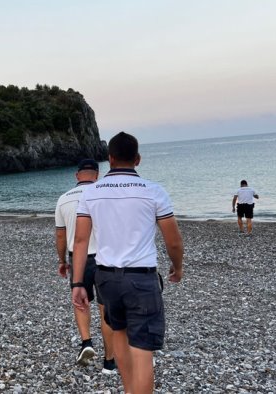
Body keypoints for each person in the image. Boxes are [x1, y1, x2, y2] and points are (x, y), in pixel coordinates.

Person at [71, 132, 184, 394]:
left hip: (106, 278)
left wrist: (78, 282)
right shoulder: (153, 191)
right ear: (138, 159)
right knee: (143, 349)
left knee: (119, 334)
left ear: (109, 159)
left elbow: (80, 241)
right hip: (141, 278)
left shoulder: (91, 193)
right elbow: (174, 241)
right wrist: (177, 267)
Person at [54, 159, 116, 373]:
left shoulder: (64, 199)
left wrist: (62, 261)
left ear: (77, 175)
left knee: (81, 302)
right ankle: (109, 362)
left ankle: (86, 342)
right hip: (104, 258)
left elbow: (61, 235)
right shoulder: (106, 195)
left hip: (78, 257)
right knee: (105, 309)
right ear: (97, 175)